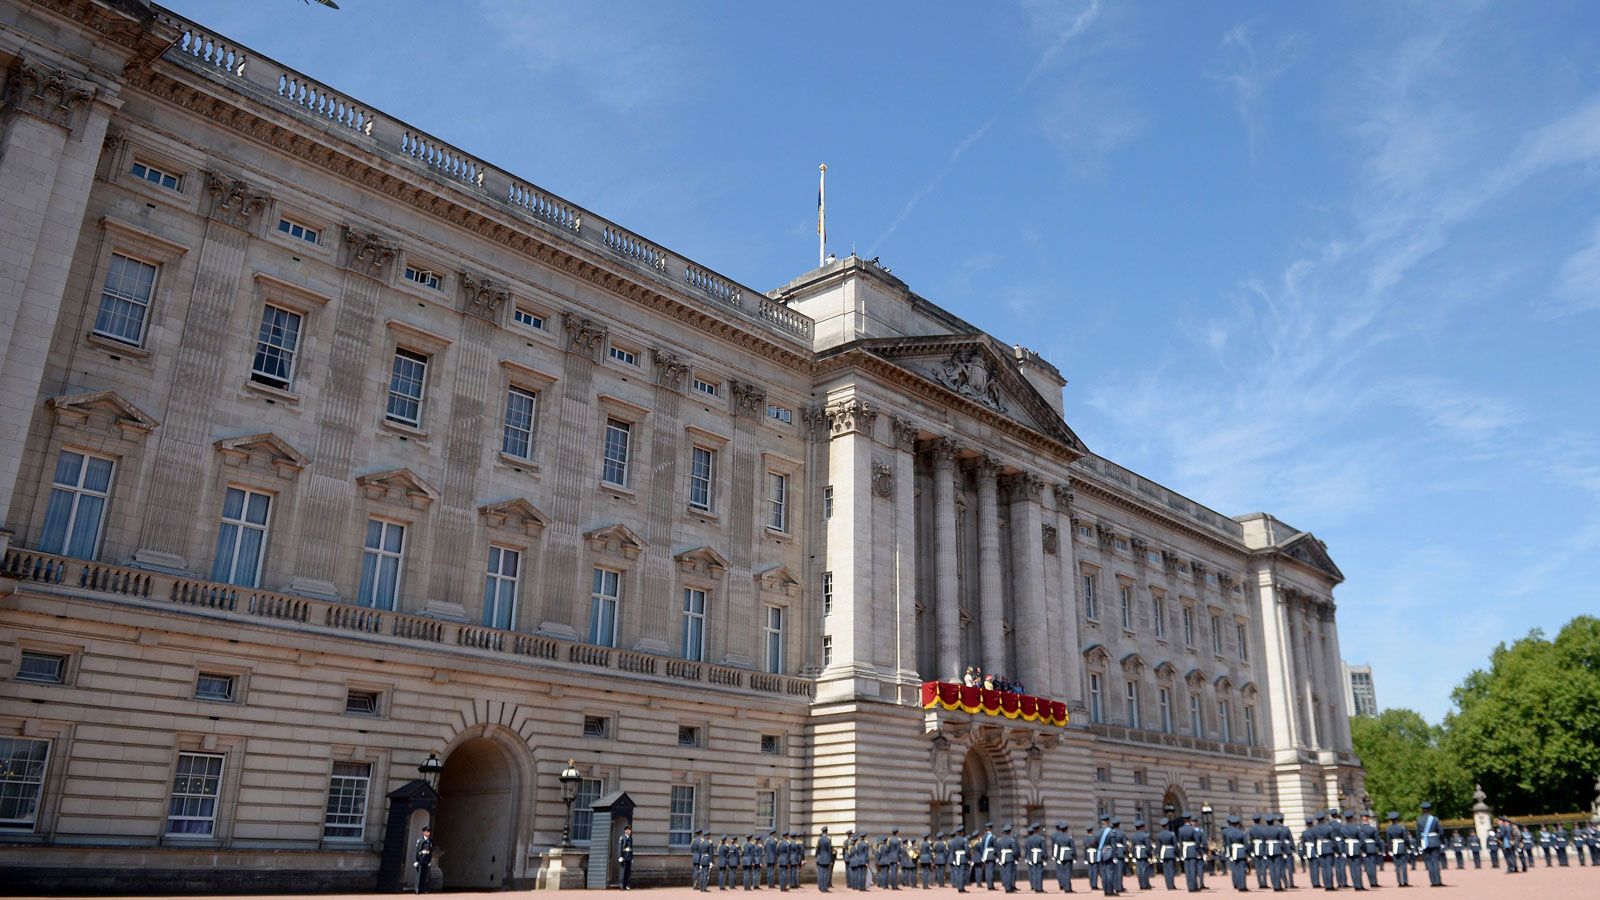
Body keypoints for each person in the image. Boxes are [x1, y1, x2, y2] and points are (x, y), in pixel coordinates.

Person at [1416, 802, 1445, 887]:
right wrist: (1442, 841)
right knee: (1435, 862)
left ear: (1422, 810)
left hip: (1424, 843)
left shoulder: (1419, 820)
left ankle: (1433, 882)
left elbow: (1417, 834)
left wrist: (1419, 845)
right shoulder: (1435, 819)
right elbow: (1441, 832)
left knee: (1428, 863)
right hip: (1434, 842)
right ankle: (1438, 881)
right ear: (1430, 809)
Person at [1178, 812, 1204, 893]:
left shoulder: (1180, 829)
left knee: (1187, 870)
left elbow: (1180, 841)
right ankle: (1194, 886)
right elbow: (1197, 842)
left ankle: (1189, 886)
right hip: (1192, 850)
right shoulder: (1193, 829)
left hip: (1185, 850)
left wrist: (1181, 853)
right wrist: (1199, 852)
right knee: (1193, 869)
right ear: (1189, 820)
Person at [1384, 812, 1410, 886]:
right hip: (1402, 846)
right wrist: (1408, 846)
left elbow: (1388, 840)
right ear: (1397, 819)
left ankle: (1399, 882)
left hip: (1394, 847)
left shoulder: (1388, 829)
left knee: (1397, 866)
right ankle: (1405, 881)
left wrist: (1389, 849)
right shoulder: (1401, 827)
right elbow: (1405, 838)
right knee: (1404, 865)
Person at [1155, 817, 1178, 891]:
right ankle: (1171, 885)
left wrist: (1157, 854)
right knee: (1171, 869)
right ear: (1167, 825)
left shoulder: (1159, 835)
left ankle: (1168, 885)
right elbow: (1175, 845)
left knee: (1166, 870)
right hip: (1170, 852)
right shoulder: (1171, 834)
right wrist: (1177, 853)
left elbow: (1158, 846)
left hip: (1163, 853)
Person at [1053, 822, 1076, 893]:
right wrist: (1075, 857)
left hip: (1061, 856)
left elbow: (1057, 848)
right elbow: (1073, 848)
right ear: (1066, 829)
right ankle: (1068, 888)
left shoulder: (1058, 838)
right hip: (1068, 856)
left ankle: (1065, 886)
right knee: (1068, 872)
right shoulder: (1069, 837)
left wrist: (1056, 857)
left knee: (1063, 872)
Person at [997, 824, 1019, 893]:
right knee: (1009, 873)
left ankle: (1006, 886)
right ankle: (1009, 888)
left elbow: (998, 850)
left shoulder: (1000, 840)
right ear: (1009, 831)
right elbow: (1015, 850)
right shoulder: (1011, 839)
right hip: (1009, 857)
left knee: (1005, 873)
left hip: (1003, 857)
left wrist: (999, 858)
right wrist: (1016, 857)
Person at [413, 825, 435, 895]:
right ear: (424, 832)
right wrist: (416, 860)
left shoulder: (429, 841)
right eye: (427, 831)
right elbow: (417, 851)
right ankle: (417, 889)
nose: (428, 832)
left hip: (426, 860)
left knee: (424, 876)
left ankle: (422, 889)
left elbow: (430, 852)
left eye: (429, 831)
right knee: (419, 876)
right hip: (421, 860)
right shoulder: (420, 840)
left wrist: (429, 861)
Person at [952, 827, 971, 893]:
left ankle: (959, 887)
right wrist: (969, 858)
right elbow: (967, 851)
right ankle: (961, 888)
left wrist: (954, 859)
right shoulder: (964, 840)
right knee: (962, 873)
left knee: (958, 873)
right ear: (962, 832)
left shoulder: (953, 840)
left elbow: (952, 851)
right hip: (963, 858)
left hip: (956, 857)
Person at [619, 825, 637, 891]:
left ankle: (627, 885)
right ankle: (621, 885)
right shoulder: (622, 838)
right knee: (623, 872)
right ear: (625, 831)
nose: (629, 831)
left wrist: (632, 857)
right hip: (624, 857)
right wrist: (620, 856)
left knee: (628, 872)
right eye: (628, 830)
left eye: (630, 830)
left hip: (629, 857)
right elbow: (620, 848)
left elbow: (631, 849)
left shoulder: (630, 838)